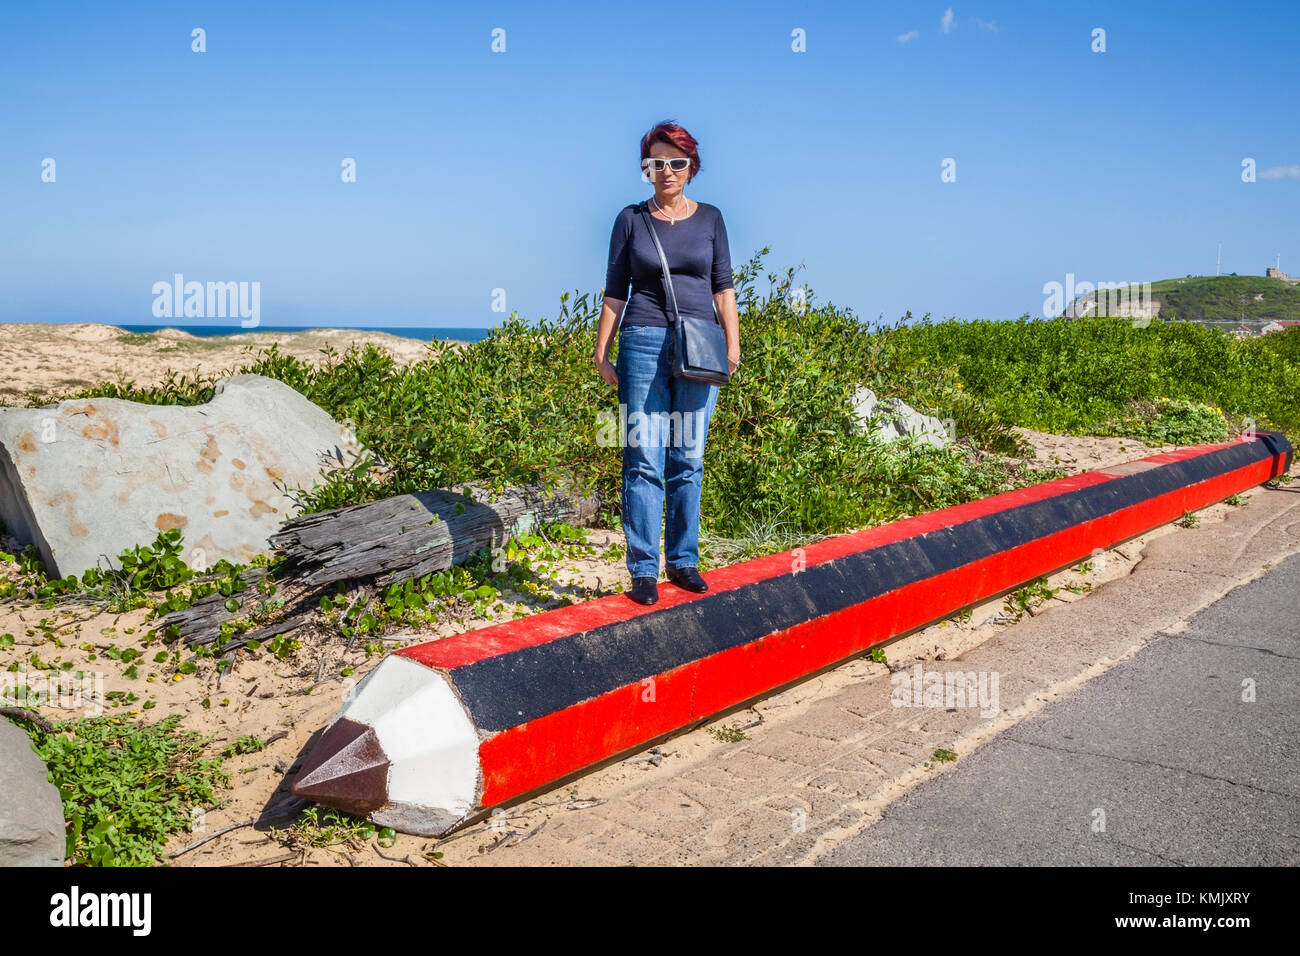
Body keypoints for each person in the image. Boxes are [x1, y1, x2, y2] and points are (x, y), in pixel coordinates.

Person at [592, 120, 741, 606]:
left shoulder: (712, 218)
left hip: (700, 344)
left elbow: (724, 286)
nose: (666, 170)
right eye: (656, 163)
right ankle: (642, 569)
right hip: (641, 340)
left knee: (688, 457)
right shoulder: (630, 219)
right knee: (643, 456)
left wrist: (733, 344)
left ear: (691, 167)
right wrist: (602, 350)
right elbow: (616, 289)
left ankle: (683, 561)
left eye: (676, 162)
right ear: (646, 169)